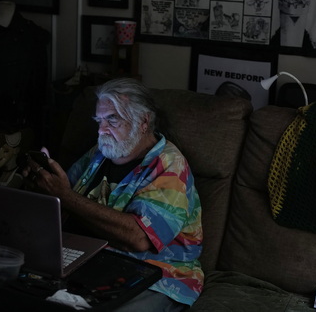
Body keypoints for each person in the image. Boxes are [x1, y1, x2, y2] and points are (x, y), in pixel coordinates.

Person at [23, 78, 203, 311]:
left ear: (144, 121)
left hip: (156, 275)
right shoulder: (101, 151)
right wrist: (45, 183)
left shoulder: (170, 166)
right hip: (89, 261)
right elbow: (65, 197)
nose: (100, 130)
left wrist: (65, 196)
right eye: (99, 120)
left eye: (112, 119)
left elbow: (139, 239)